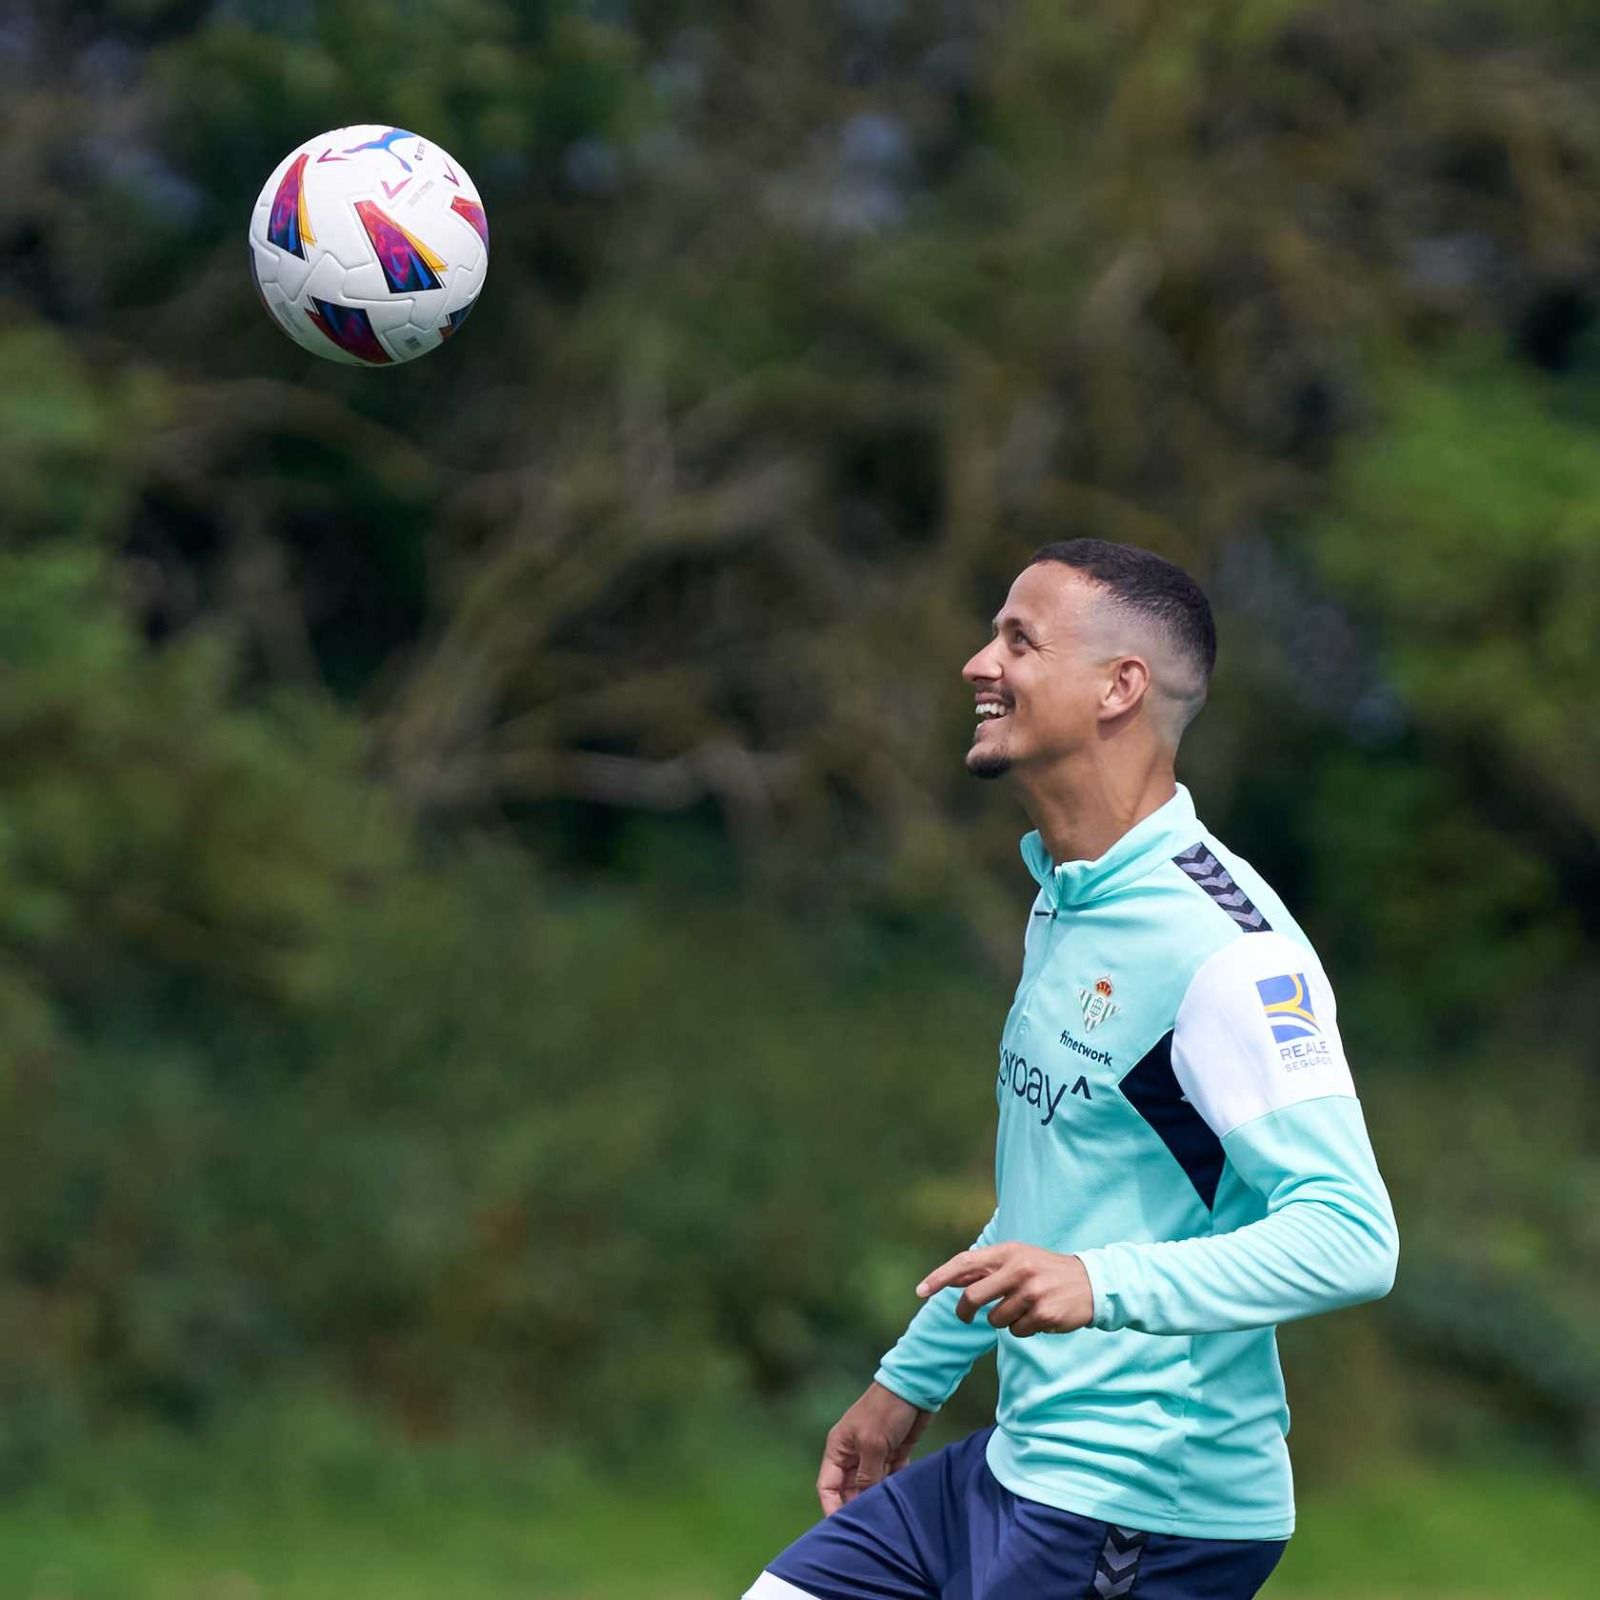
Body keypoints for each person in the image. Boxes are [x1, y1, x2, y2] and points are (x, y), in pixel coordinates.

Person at [742, 540, 1399, 1600]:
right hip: (1010, 1467)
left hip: (1138, 1506)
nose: (975, 664)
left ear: (1117, 688)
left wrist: (1100, 1283)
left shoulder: (1227, 948)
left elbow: (1352, 1236)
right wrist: (907, 1381)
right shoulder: (1068, 897)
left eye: (1017, 639)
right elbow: (1055, 1203)